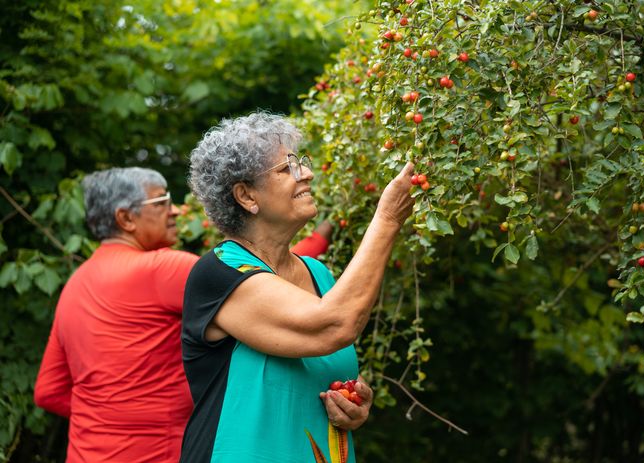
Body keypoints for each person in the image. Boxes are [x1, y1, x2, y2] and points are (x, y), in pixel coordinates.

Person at [33, 167, 356, 463]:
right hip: (158, 453)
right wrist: (322, 233)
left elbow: (48, 391)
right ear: (125, 219)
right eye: (162, 202)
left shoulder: (75, 284)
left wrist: (110, 416)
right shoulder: (160, 269)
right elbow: (263, 285)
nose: (175, 211)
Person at [181, 112, 414, 462]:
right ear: (246, 196)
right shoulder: (219, 273)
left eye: (300, 162)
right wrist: (387, 220)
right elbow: (336, 325)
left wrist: (355, 401)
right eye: (286, 168)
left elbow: (327, 366)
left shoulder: (318, 273)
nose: (306, 173)